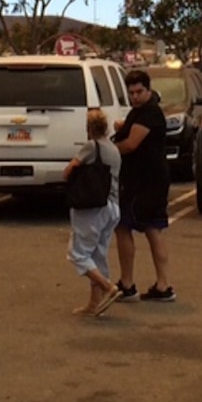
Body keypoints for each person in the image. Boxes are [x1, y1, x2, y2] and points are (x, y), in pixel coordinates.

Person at [112, 70, 175, 302]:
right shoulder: (138, 112)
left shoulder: (149, 114)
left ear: (148, 90)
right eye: (131, 93)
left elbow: (130, 145)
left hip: (147, 182)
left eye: (139, 92)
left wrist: (105, 149)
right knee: (132, 227)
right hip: (138, 180)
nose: (135, 96)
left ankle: (152, 285)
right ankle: (137, 283)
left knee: (147, 228)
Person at [64, 110, 122, 316]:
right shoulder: (114, 149)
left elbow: (71, 168)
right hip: (113, 206)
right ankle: (94, 304)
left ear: (89, 129)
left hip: (92, 207)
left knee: (78, 253)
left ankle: (108, 287)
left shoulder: (91, 146)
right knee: (98, 254)